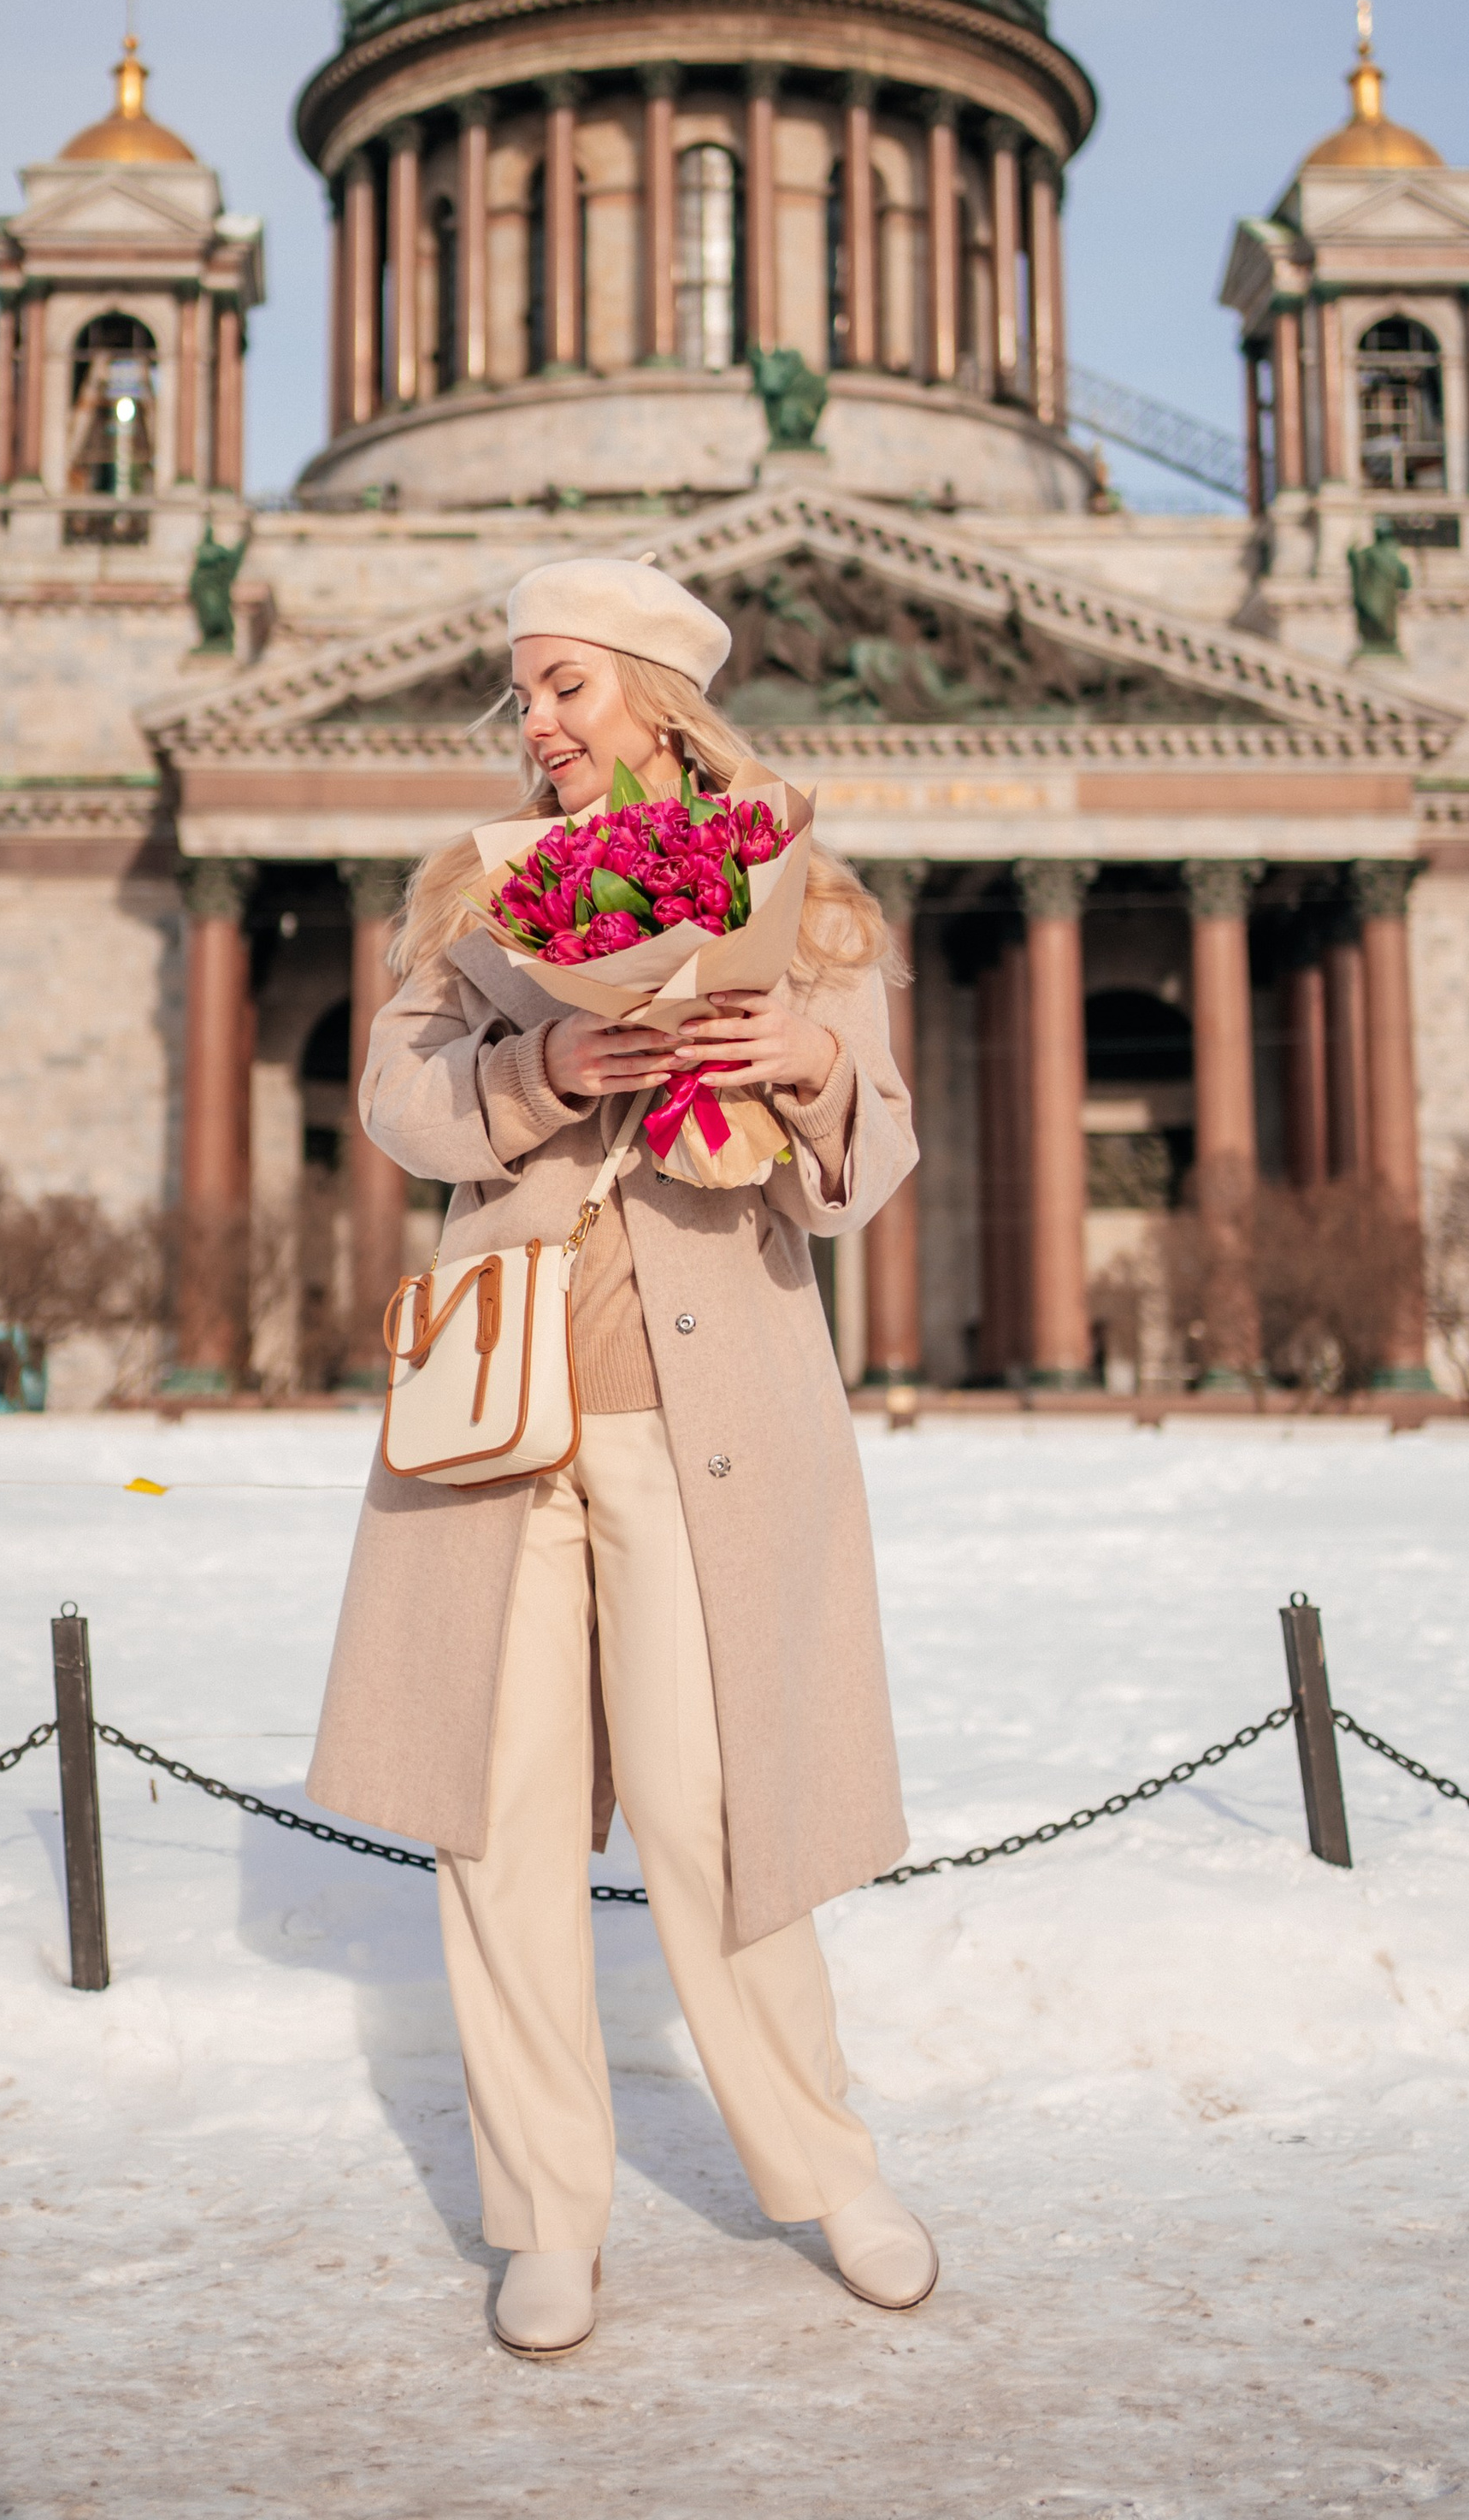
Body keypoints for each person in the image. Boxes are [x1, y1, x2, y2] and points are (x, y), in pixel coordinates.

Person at [308, 555, 934, 2358]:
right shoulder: (470, 899)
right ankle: (545, 2219)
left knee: (713, 1812)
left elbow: (871, 1152)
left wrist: (806, 1052)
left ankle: (828, 2173)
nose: (540, 725)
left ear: (661, 699)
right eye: (522, 694)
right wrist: (547, 1058)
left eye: (566, 687)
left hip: (698, 1425)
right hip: (500, 1424)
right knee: (494, 1831)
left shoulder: (797, 894)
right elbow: (399, 1104)